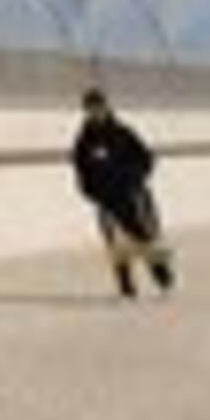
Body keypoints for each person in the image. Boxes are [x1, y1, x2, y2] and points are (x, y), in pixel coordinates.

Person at [71, 86, 175, 299]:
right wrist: (92, 192)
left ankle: (161, 275)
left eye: (98, 107)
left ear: (106, 107)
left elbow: (146, 158)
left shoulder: (122, 133)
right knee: (116, 243)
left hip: (131, 196)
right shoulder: (83, 142)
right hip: (106, 201)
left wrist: (134, 179)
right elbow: (81, 172)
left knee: (145, 236)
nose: (95, 112)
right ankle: (126, 285)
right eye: (90, 108)